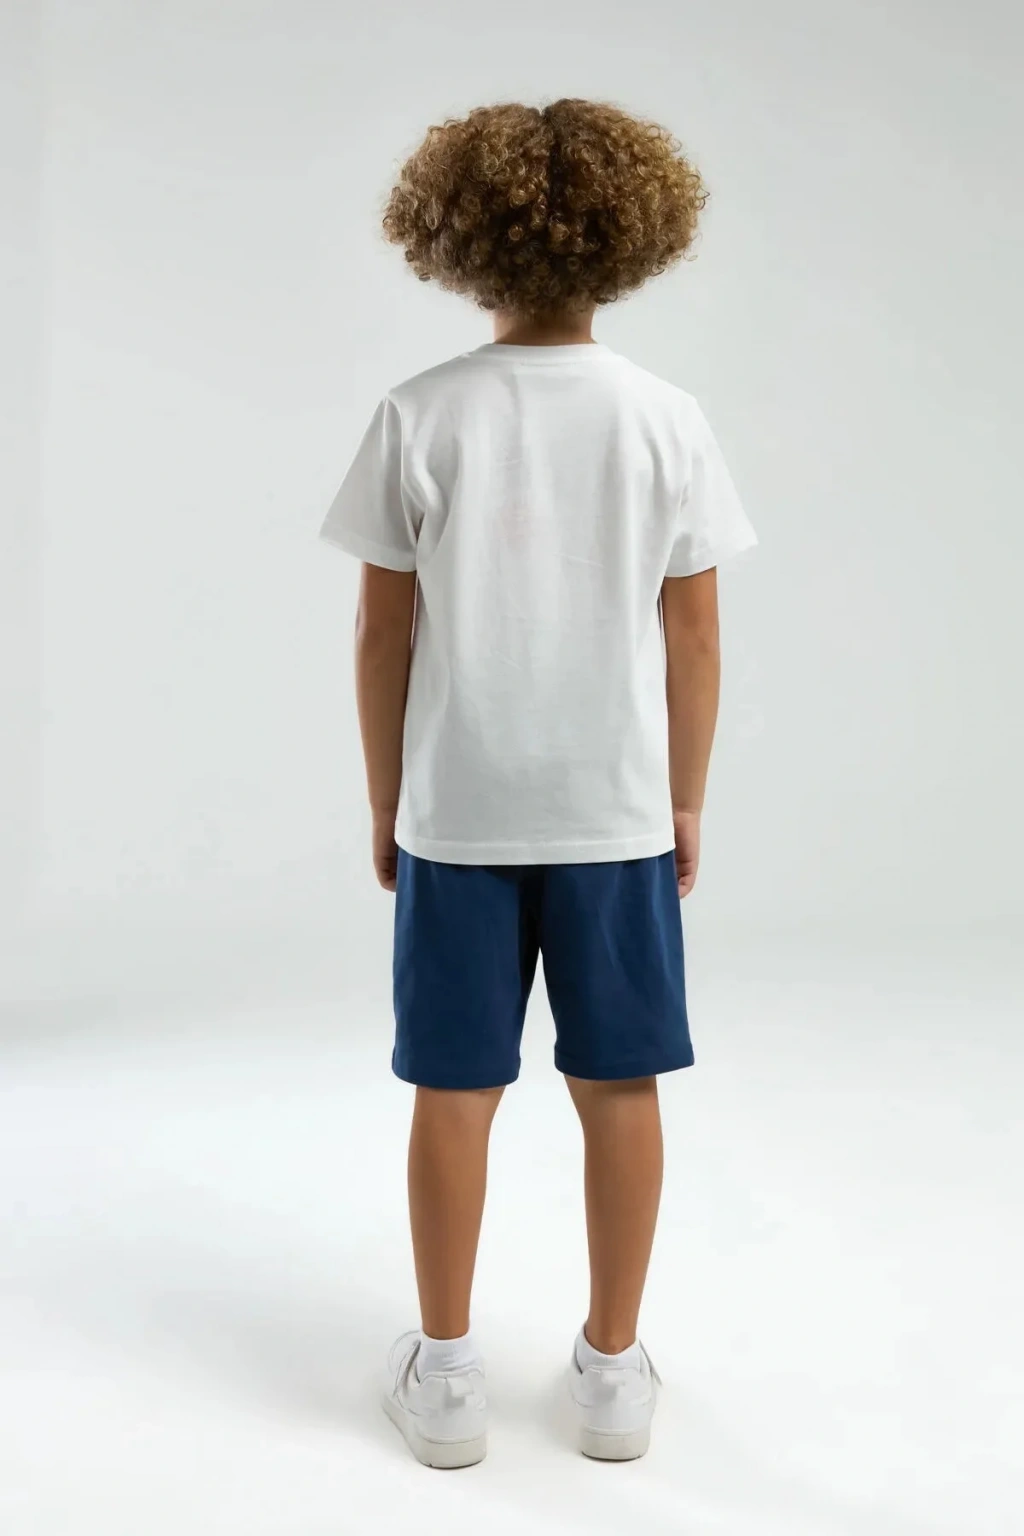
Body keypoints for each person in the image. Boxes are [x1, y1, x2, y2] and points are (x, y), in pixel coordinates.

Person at [320, 98, 756, 1468]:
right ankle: (613, 1376)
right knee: (619, 1085)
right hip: (613, 811)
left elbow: (382, 633)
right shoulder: (667, 418)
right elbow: (696, 634)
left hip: (459, 811)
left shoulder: (420, 414)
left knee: (455, 1089)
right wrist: (684, 798)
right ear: (633, 236)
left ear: (457, 237)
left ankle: (448, 1379)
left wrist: (387, 798)